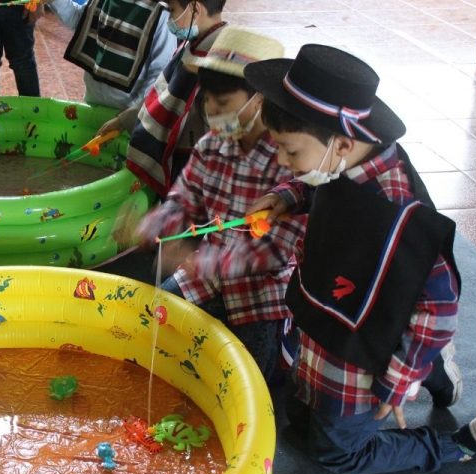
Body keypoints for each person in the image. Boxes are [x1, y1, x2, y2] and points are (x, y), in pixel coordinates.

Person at [241, 44, 476, 474]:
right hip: (328, 315)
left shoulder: (399, 213)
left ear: (342, 143)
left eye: (289, 151)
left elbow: (439, 307)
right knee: (298, 415)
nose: (282, 161)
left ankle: (460, 443)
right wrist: (285, 196)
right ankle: (432, 365)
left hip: (360, 352)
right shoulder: (343, 159)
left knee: (336, 453)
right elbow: (316, 181)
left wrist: (398, 384)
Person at [123, 27, 303, 382]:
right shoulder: (211, 146)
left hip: (260, 295)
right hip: (205, 275)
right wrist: (151, 225)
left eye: (222, 105)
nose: (211, 112)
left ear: (259, 101)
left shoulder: (289, 160)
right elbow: (183, 199)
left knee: (247, 380)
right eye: (206, 101)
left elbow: (274, 252)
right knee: (152, 324)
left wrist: (204, 261)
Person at [99, 0, 227, 198]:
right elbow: (164, 95)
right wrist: (122, 121)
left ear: (195, 9)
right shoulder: (192, 45)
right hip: (183, 157)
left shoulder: (218, 61)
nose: (169, 19)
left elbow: (223, 136)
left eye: (172, 10)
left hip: (193, 169)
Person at [48, 0, 175, 110]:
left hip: (127, 111)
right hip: (93, 101)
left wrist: (133, 112)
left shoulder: (162, 11)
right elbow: (81, 20)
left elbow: (160, 71)